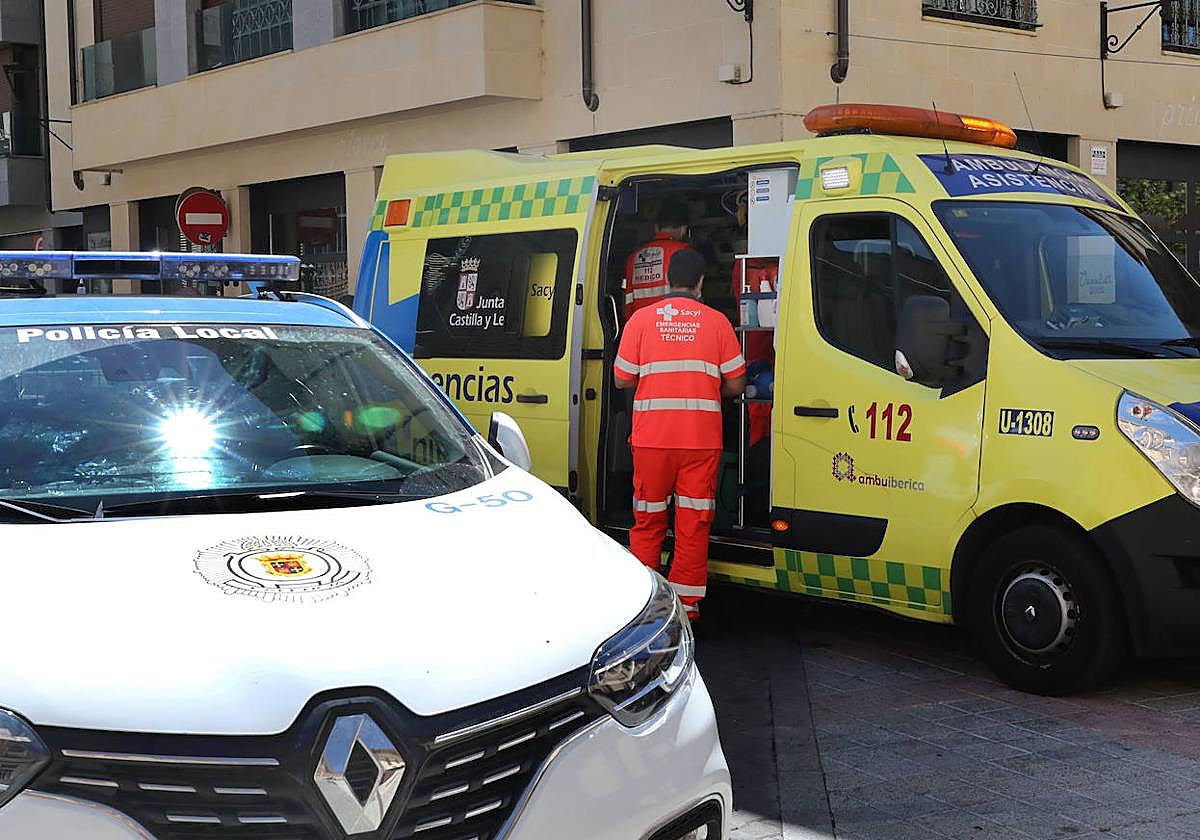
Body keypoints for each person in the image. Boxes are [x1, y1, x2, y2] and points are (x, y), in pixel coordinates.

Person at [613, 249, 746, 621]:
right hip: (700, 440)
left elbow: (622, 377)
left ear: (668, 280)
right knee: (693, 521)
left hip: (651, 438)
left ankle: (644, 602)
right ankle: (686, 606)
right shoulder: (717, 322)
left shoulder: (640, 320)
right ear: (701, 283)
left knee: (649, 518)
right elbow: (736, 384)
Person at [623, 199, 695, 320]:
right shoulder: (685, 252)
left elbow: (626, 299)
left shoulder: (633, 257)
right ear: (684, 229)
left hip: (640, 326)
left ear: (656, 227)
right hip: (674, 327)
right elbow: (693, 297)